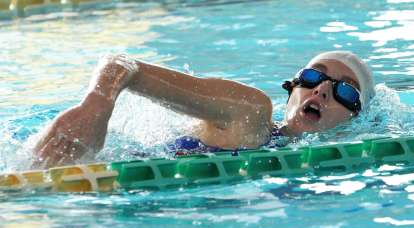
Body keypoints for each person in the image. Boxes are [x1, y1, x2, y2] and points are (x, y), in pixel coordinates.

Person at [32, 51, 375, 168]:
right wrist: (96, 103)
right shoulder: (248, 112)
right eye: (314, 76)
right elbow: (121, 64)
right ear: (291, 92)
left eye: (345, 90)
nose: (322, 89)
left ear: (357, 118)